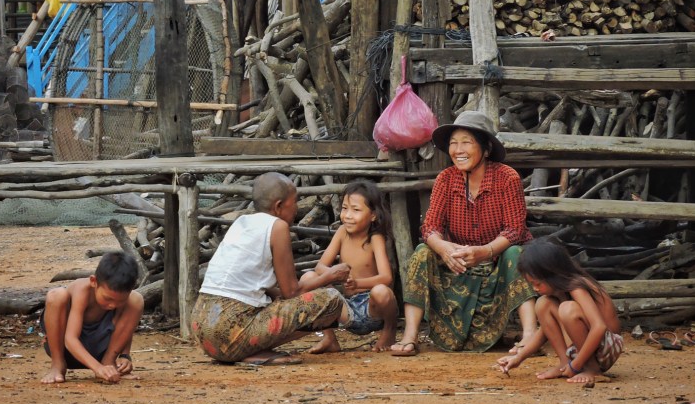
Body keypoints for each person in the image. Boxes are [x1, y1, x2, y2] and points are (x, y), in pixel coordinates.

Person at [390, 110, 537, 356]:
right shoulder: (445, 179)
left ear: (486, 149)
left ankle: (530, 334)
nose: (458, 150)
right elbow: (430, 227)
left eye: (466, 142)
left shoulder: (507, 178)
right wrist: (444, 248)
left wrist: (485, 252)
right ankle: (410, 335)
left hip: (498, 264)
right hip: (458, 264)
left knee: (515, 253)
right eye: (453, 143)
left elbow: (515, 230)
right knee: (422, 252)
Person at [191, 172, 351, 366]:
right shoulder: (277, 227)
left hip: (202, 330)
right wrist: (331, 275)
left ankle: (247, 349)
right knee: (331, 299)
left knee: (277, 300)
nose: (297, 207)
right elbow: (292, 291)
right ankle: (252, 350)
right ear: (278, 206)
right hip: (229, 335)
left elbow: (259, 286)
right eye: (295, 201)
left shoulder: (241, 223)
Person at [497, 238, 624, 384]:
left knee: (567, 309)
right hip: (589, 348)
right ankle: (564, 364)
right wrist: (519, 357)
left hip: (608, 347)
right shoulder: (559, 292)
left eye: (537, 283)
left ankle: (592, 369)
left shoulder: (577, 287)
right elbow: (544, 331)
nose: (535, 289)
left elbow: (599, 327)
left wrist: (575, 366)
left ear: (553, 274)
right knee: (542, 303)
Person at [300, 179, 397, 354]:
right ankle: (330, 338)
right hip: (346, 310)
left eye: (356, 210)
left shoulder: (375, 238)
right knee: (308, 278)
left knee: (381, 291)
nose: (348, 215)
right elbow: (320, 266)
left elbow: (386, 277)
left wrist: (357, 283)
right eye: (345, 208)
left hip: (371, 309)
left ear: (373, 215)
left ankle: (389, 331)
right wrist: (333, 274)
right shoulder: (342, 232)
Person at [40, 251, 144, 384]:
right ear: (94, 281)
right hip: (66, 350)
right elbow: (70, 338)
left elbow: (125, 325)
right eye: (108, 298)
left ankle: (109, 363)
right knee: (57, 295)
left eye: (120, 301)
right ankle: (57, 365)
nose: (113, 305)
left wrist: (124, 356)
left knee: (136, 299)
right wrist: (97, 368)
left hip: (101, 350)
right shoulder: (82, 291)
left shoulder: (126, 300)